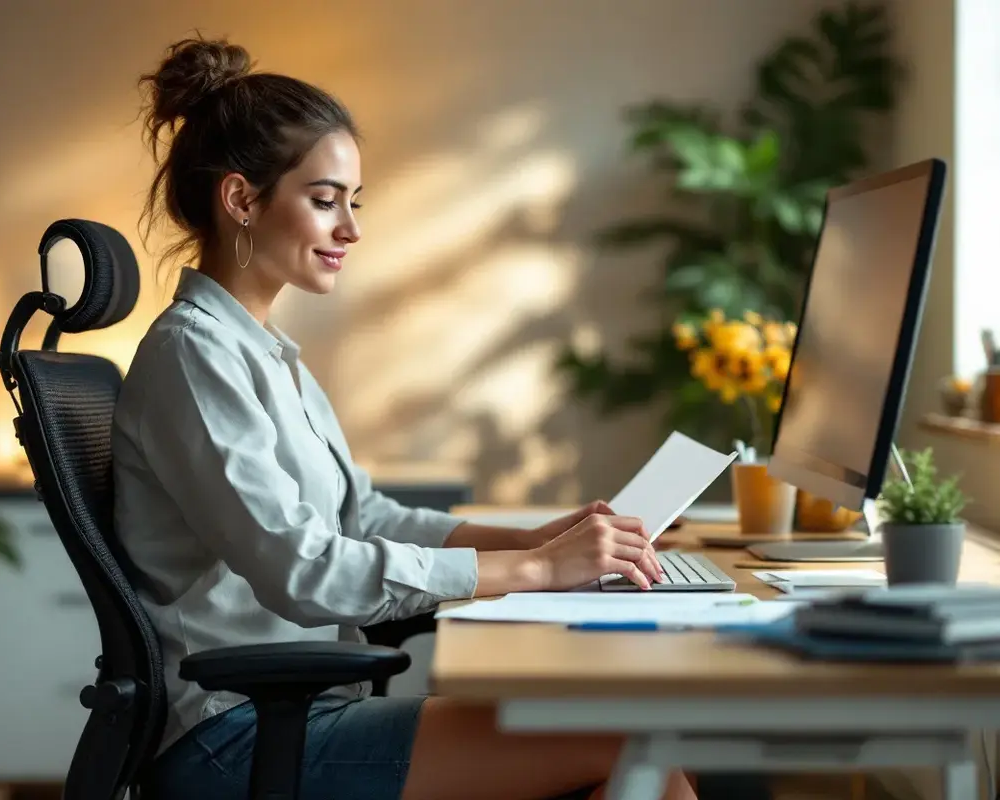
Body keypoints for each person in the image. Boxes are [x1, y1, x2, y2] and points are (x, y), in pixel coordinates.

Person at [111, 34, 697, 800]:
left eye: (354, 202)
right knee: (625, 745)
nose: (350, 229)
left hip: (294, 714)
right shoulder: (195, 358)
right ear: (241, 200)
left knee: (624, 753)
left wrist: (528, 541)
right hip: (233, 737)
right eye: (325, 201)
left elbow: (363, 515)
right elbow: (302, 570)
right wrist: (531, 572)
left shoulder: (262, 352)